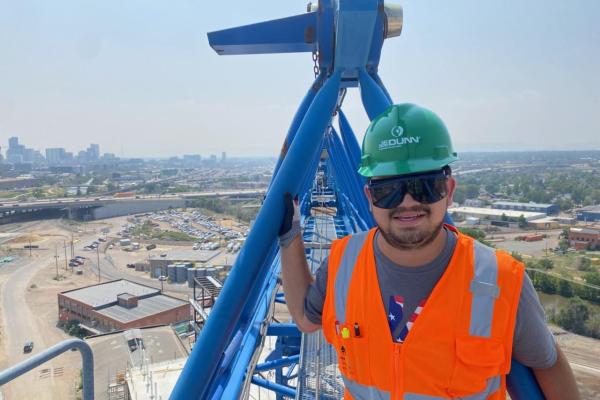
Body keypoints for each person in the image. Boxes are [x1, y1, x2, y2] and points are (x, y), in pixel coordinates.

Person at [279, 104, 580, 399]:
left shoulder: (501, 280)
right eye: (389, 191)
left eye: (424, 187)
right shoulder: (344, 262)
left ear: (449, 191)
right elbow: (307, 319)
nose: (407, 202)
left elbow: (548, 364)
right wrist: (290, 236)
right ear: (370, 198)